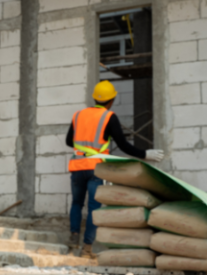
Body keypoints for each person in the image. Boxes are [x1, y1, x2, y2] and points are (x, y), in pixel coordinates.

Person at [65, 80, 163, 258]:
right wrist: (144, 154)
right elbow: (123, 145)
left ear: (95, 98)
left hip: (77, 166)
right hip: (96, 169)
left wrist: (85, 146)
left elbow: (68, 141)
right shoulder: (109, 117)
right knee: (94, 208)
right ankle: (86, 249)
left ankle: (73, 238)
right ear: (111, 100)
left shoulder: (78, 115)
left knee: (77, 204)